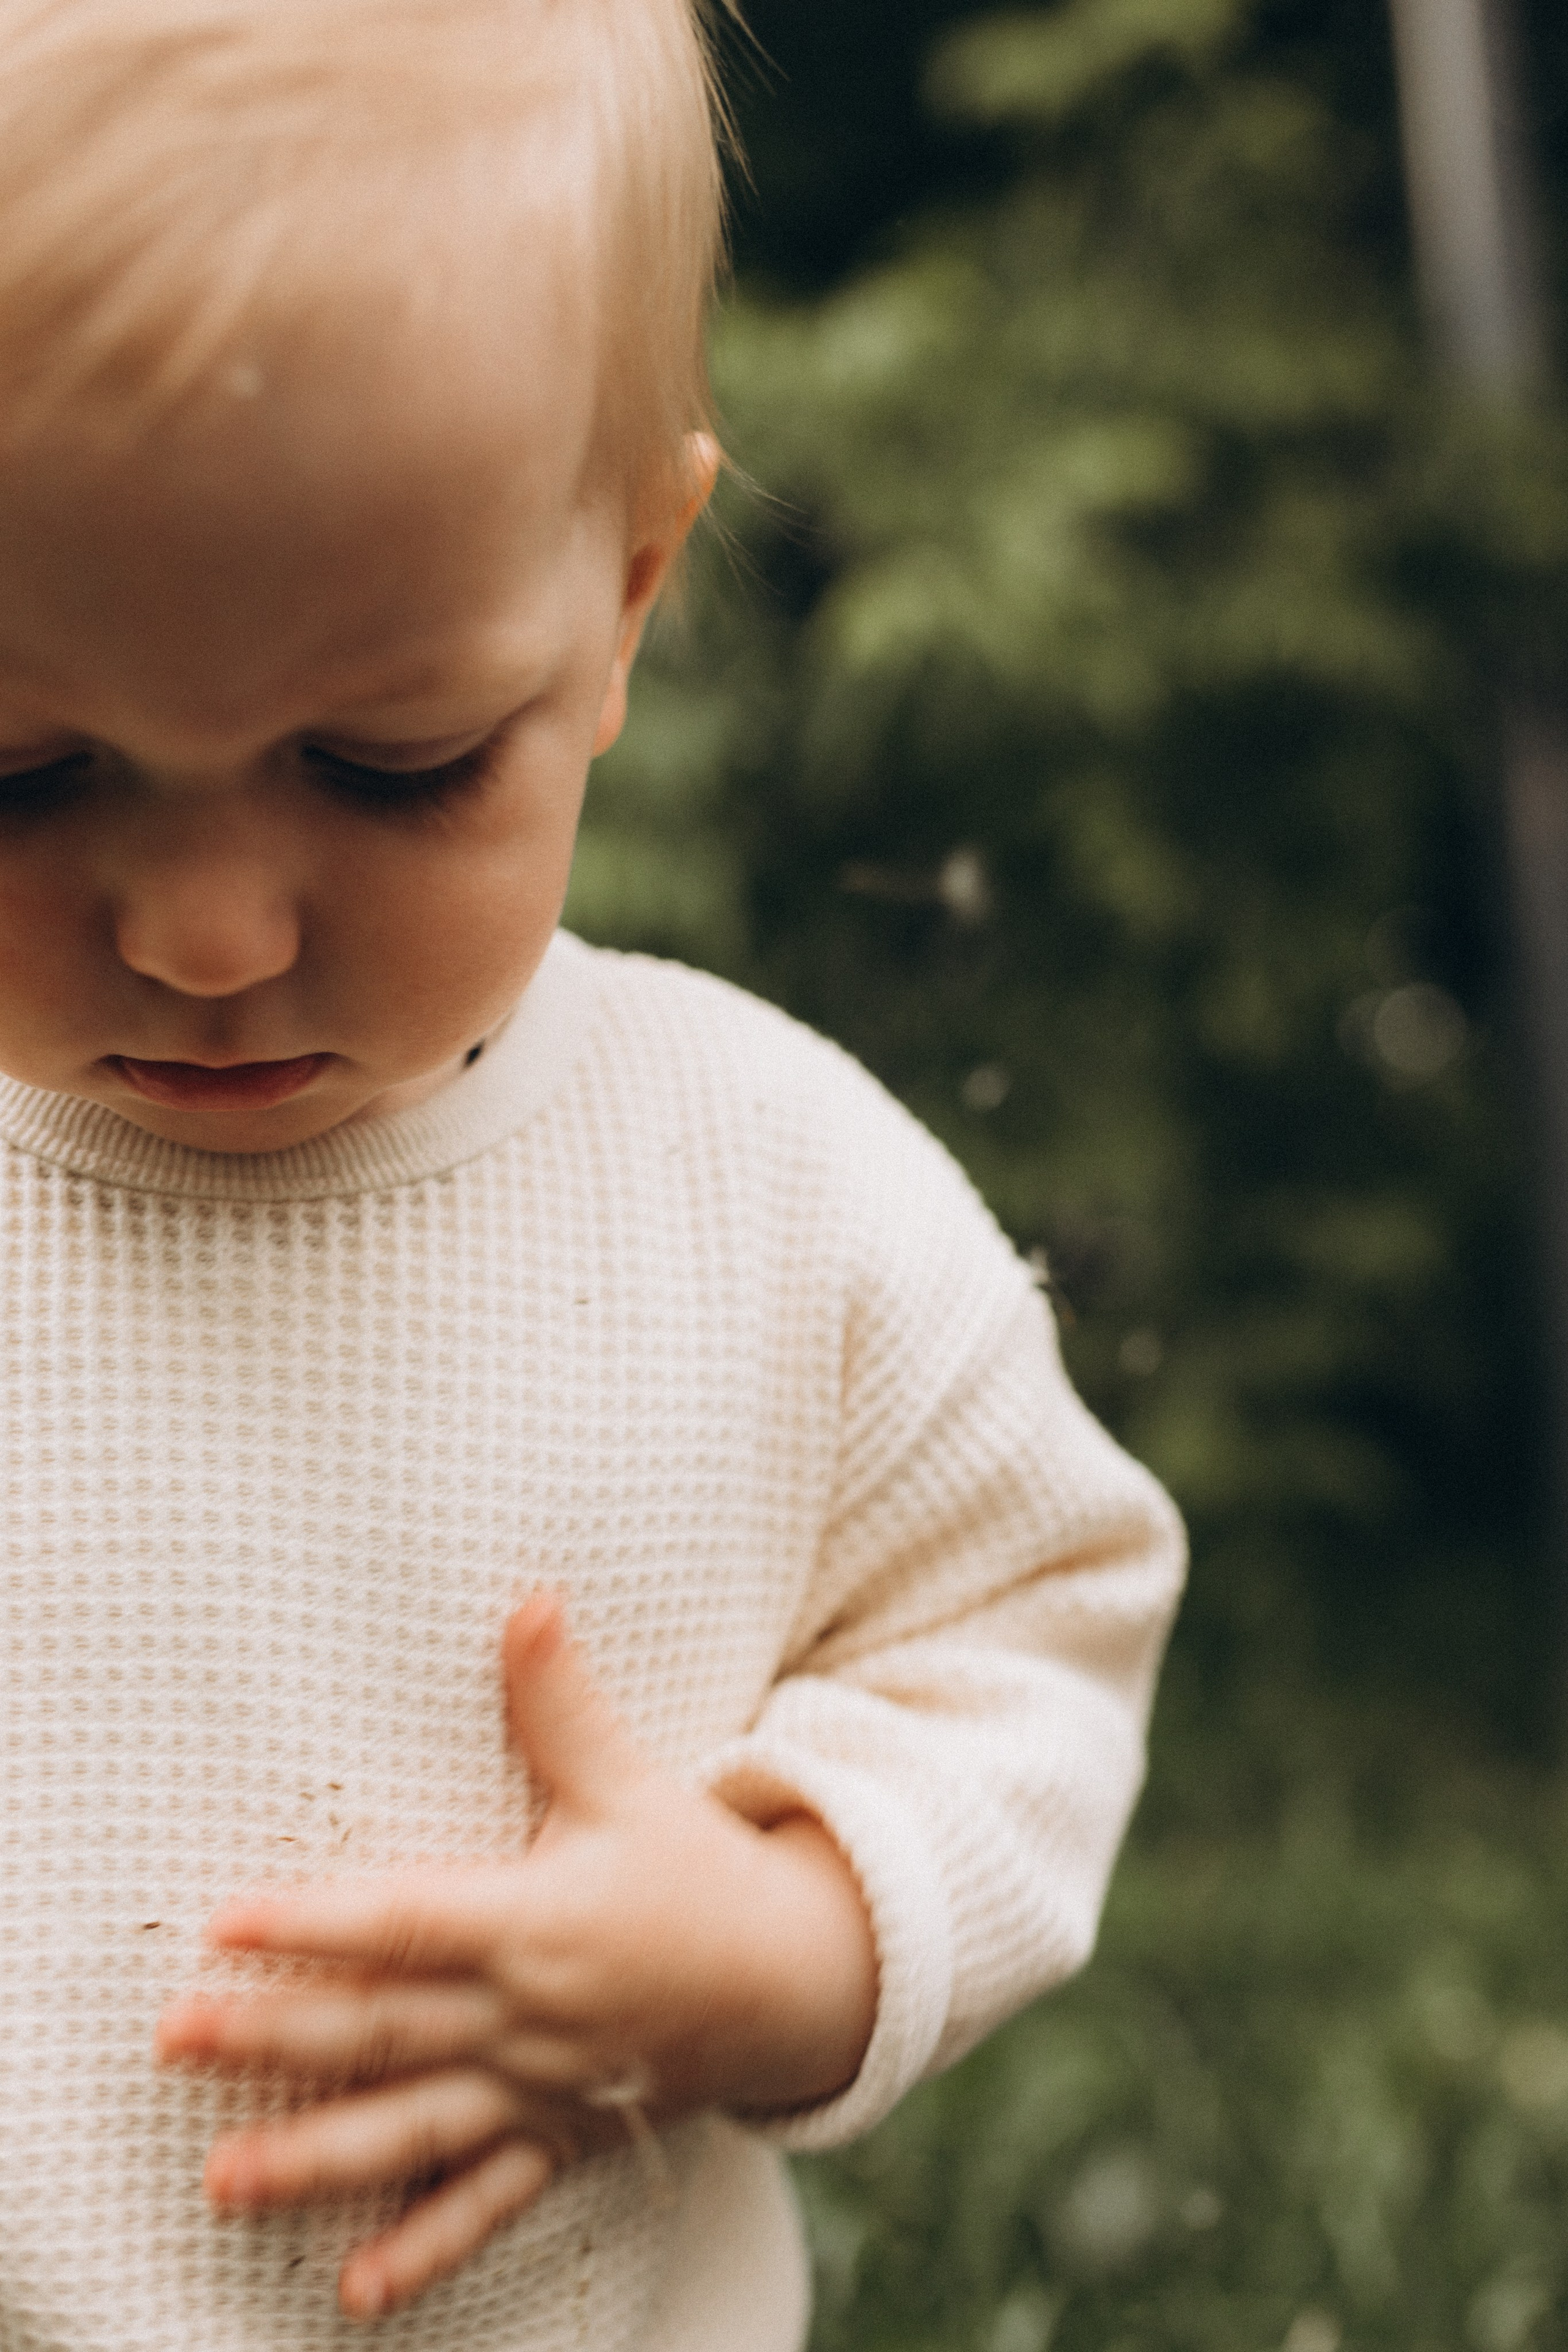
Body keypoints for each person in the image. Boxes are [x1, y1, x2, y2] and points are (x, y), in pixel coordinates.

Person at [0, 1, 1186, 2346]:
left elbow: (1029, 1651)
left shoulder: (763, 1191)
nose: (208, 936)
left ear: (630, 591)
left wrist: (776, 1943)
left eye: (392, 760)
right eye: (21, 775)